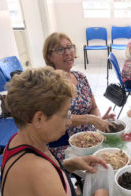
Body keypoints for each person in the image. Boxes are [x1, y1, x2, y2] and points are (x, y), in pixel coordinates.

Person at [1, 67, 109, 196]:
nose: (69, 122)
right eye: (65, 115)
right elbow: (43, 178)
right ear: (39, 119)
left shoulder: (21, 139)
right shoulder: (38, 173)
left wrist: (70, 165)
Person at [43, 32, 114, 160]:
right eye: (60, 49)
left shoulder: (80, 77)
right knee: (103, 165)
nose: (68, 52)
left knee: (115, 155)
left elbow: (93, 106)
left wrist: (99, 120)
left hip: (90, 138)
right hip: (65, 145)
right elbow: (58, 119)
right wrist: (91, 119)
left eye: (69, 47)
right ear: (49, 56)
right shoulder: (49, 84)